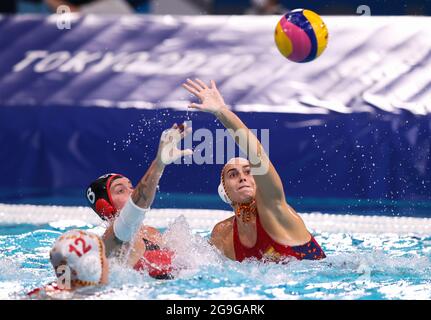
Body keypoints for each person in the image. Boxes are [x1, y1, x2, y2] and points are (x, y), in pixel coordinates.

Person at [182, 79, 326, 262]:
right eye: (233, 175)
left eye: (249, 172)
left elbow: (256, 153)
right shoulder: (222, 235)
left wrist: (221, 112)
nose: (242, 178)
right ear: (224, 191)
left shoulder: (276, 210)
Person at [86, 123, 192, 278]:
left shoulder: (151, 232)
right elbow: (136, 204)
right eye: (120, 190)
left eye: (131, 186)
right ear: (106, 207)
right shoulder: (112, 240)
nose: (132, 191)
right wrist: (159, 164)